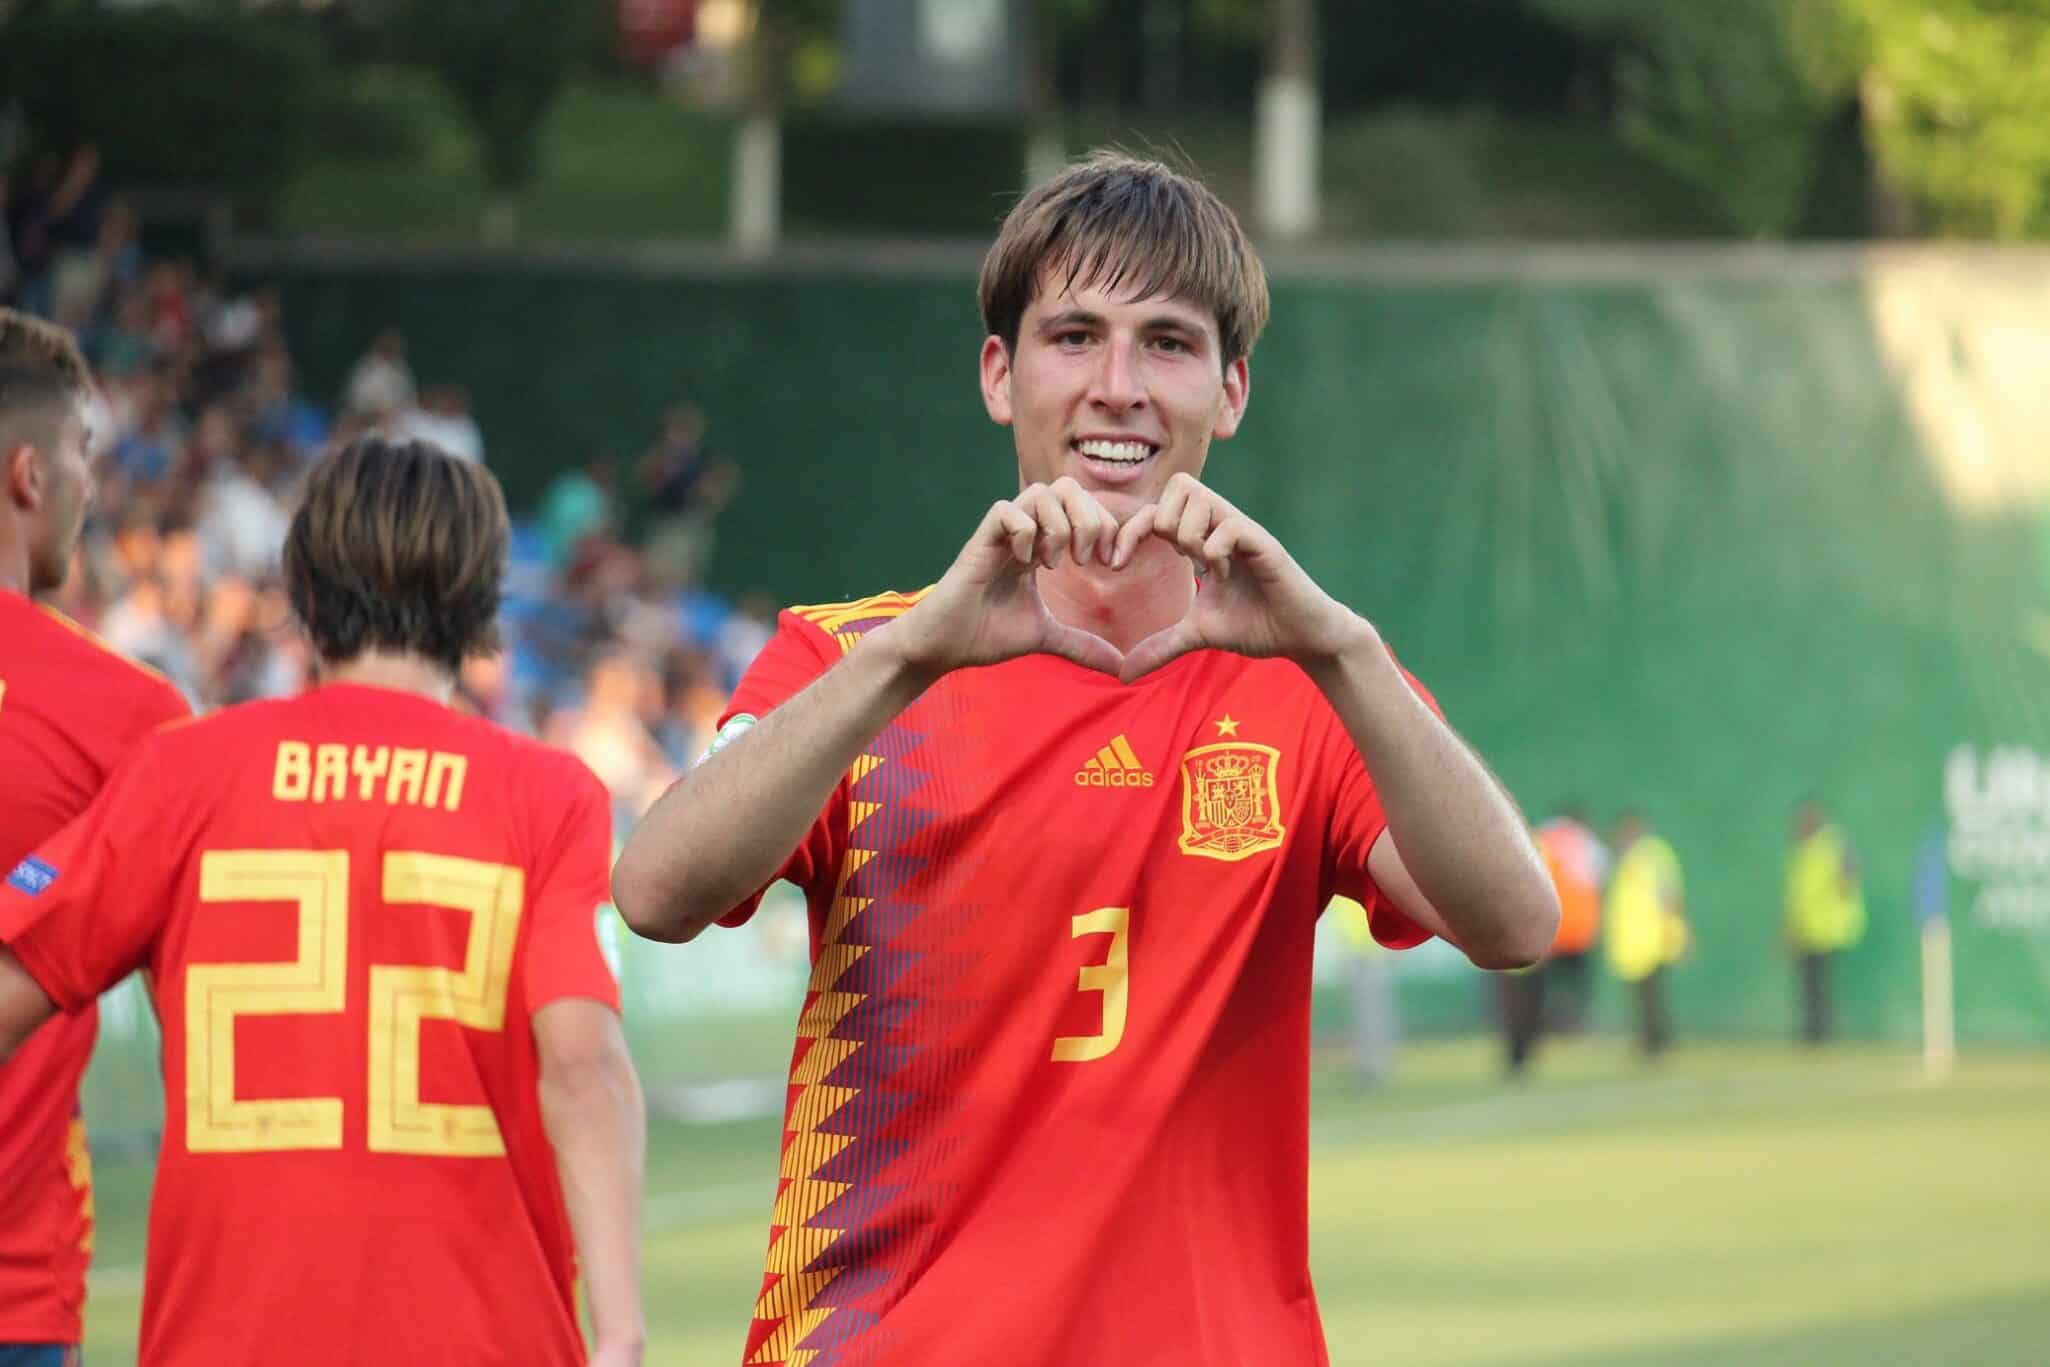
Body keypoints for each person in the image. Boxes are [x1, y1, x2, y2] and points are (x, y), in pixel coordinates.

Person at [612, 152, 1558, 1365]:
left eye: (1167, 343)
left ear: (1230, 391)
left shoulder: (1314, 685)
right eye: (1073, 336)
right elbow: (656, 891)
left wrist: (1346, 645)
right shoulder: (849, 661)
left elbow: (1516, 921)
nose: (1118, 386)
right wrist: (909, 658)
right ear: (1000, 375)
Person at [0, 437, 647, 1367]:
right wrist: (621, 1336)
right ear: (481, 591)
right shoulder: (546, 796)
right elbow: (584, 1067)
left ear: (301, 585)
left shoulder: (183, 774)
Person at [0, 309, 190, 1367]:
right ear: (30, 472)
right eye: (83, 451)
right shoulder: (129, 716)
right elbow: (203, 1026)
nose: (91, 481)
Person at [1604, 812, 1688, 1058]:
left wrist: (1673, 929)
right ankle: (1648, 1039)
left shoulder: (1653, 854)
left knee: (1652, 995)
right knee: (1641, 996)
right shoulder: (1623, 860)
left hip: (1652, 938)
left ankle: (1657, 1041)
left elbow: (1670, 893)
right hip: (1632, 942)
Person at [1784, 799, 1865, 1043]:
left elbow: (1851, 869)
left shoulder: (1832, 843)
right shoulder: (1800, 850)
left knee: (1820, 984)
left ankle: (1821, 1032)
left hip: (1828, 927)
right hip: (1807, 928)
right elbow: (1797, 894)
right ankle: (1812, 1031)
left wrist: (1845, 888)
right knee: (1809, 984)